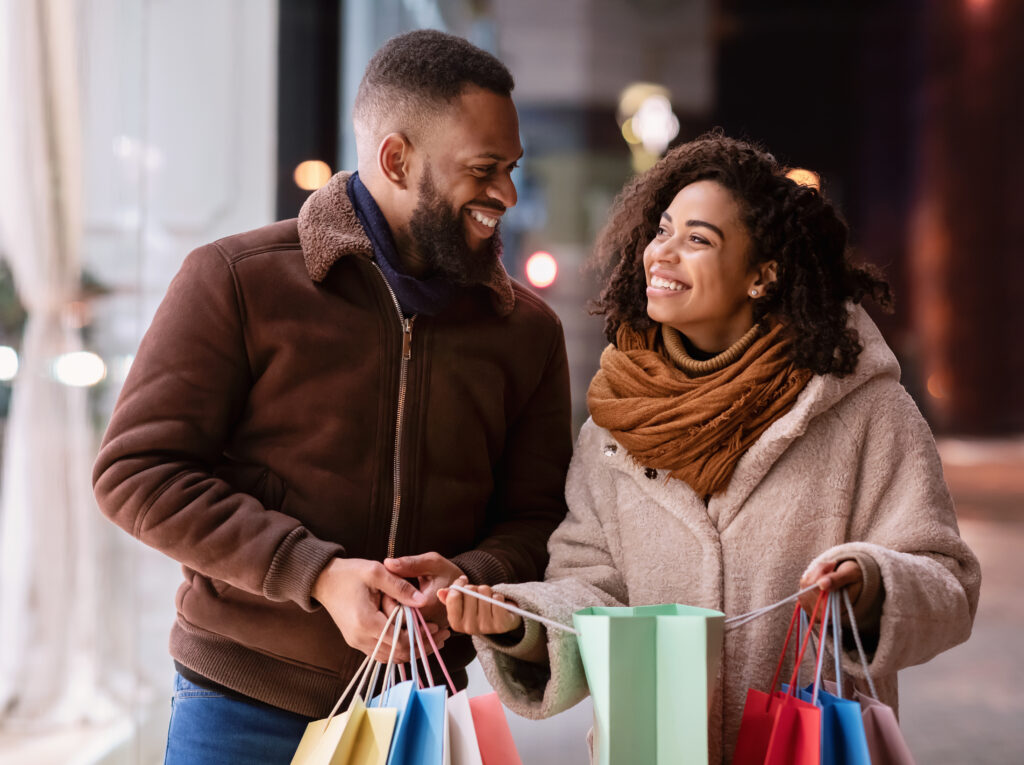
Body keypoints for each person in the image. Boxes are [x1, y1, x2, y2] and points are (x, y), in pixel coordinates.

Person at [92, 29, 572, 764]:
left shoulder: (527, 330)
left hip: (418, 711)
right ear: (395, 158)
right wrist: (316, 574)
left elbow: (539, 521)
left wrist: (471, 577)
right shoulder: (237, 279)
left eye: (510, 168)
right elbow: (135, 471)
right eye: (484, 169)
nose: (505, 194)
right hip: (240, 706)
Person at [439, 133, 981, 763]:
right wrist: (523, 622)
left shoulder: (862, 410)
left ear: (762, 276)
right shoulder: (617, 420)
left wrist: (869, 586)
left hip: (807, 749)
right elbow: (592, 582)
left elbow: (948, 579)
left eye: (698, 239)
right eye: (662, 229)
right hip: (651, 750)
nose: (661, 253)